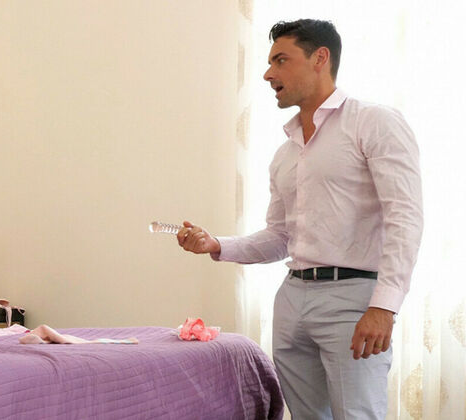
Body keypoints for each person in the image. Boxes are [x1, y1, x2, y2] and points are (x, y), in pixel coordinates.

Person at [176, 19, 422, 419]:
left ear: (320, 58)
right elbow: (280, 236)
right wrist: (216, 244)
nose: (267, 73)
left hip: (354, 300)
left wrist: (384, 307)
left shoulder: (373, 122)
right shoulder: (285, 154)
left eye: (280, 60)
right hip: (292, 300)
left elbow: (404, 216)